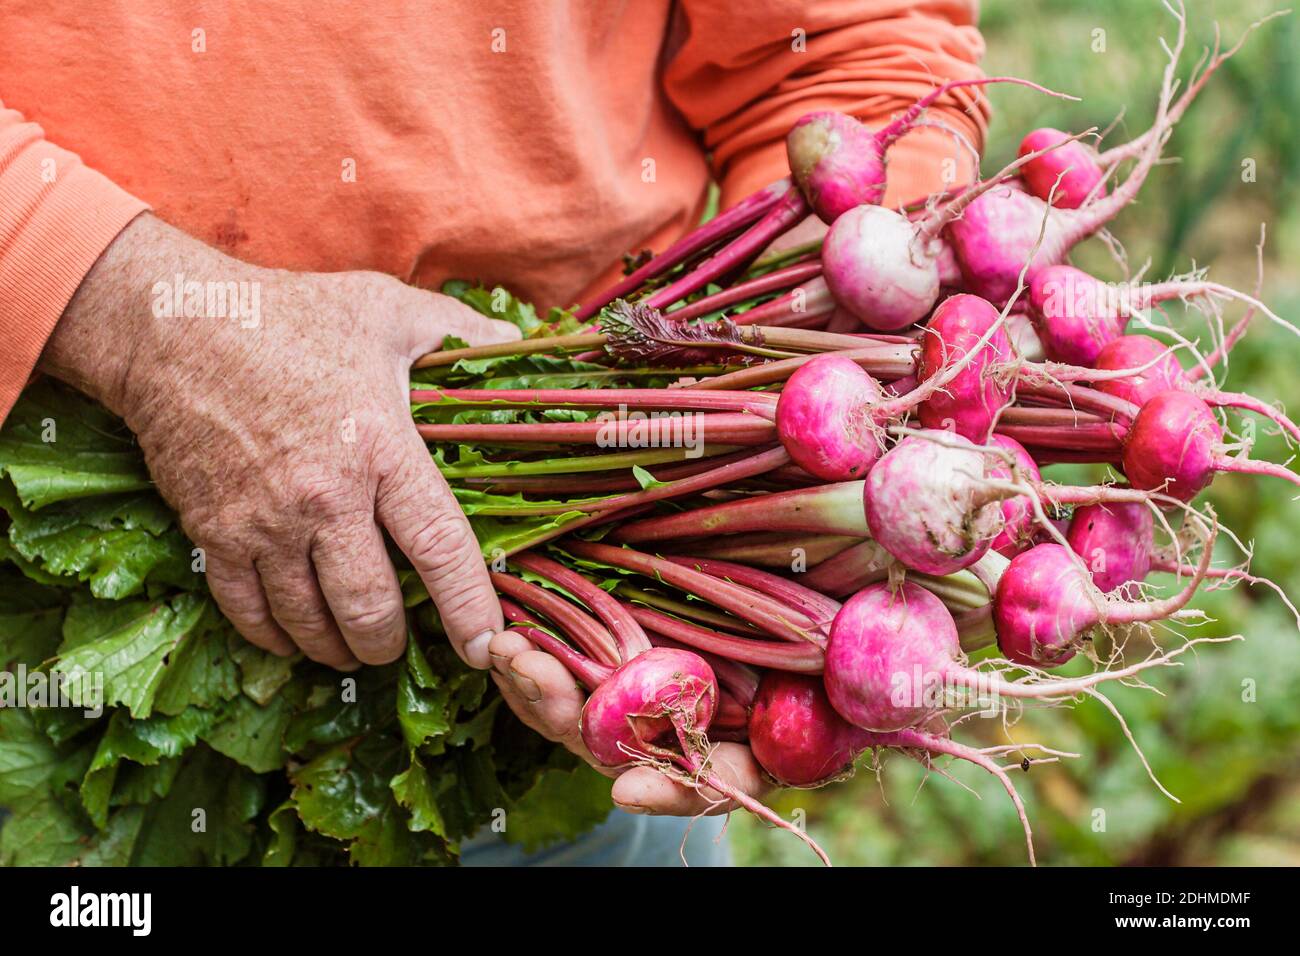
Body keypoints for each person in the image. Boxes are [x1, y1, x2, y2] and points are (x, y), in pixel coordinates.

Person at [0, 1, 988, 863]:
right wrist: (141, 323)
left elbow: (845, 46)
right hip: (40, 622)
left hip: (582, 689)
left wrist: (853, 334)